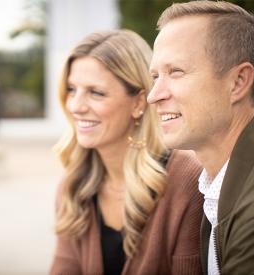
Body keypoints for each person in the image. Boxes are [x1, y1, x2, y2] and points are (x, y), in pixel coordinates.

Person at [50, 29, 203, 275]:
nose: (75, 106)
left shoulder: (188, 180)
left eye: (95, 92)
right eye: (71, 89)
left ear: (139, 103)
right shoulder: (73, 185)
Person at [147, 1, 254, 274]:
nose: (154, 95)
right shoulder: (218, 185)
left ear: (238, 82)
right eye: (155, 76)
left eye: (176, 72)